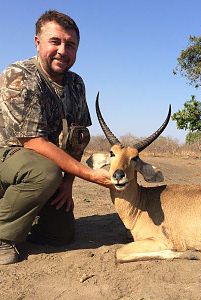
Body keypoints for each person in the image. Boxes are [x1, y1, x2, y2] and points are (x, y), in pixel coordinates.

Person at [0, 10, 111, 265]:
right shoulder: (19, 73)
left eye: (70, 45)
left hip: (38, 166)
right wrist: (91, 175)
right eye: (55, 42)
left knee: (60, 235)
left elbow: (78, 138)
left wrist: (69, 183)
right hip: (9, 158)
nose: (63, 50)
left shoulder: (76, 84)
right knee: (45, 173)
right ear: (38, 42)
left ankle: (26, 220)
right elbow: (33, 142)